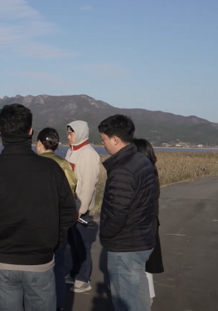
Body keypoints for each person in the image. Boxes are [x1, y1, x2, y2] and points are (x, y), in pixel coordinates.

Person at [0, 104, 78, 311]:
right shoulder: (51, 169)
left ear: (0, 133)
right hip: (40, 261)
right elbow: (69, 213)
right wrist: (53, 242)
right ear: (30, 132)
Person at [98, 115, 159, 311]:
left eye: (103, 139)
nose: (103, 144)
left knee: (125, 302)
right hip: (142, 240)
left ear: (115, 139)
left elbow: (117, 212)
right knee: (139, 299)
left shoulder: (122, 170)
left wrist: (106, 233)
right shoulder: (141, 160)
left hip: (125, 246)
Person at [35, 128, 78, 311]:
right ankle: (59, 306)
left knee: (40, 273)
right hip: (60, 223)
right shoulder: (65, 164)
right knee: (58, 270)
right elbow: (72, 189)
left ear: (38, 143)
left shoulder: (36, 163)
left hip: (39, 224)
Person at [64, 120, 100, 293]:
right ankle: (74, 273)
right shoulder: (71, 152)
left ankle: (84, 279)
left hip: (79, 207)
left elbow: (88, 185)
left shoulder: (88, 154)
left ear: (80, 134)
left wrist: (81, 209)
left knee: (82, 244)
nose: (69, 137)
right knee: (73, 242)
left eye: (71, 133)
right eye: (68, 133)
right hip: (70, 204)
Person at [133, 138, 164, 305]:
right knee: (145, 269)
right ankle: (148, 297)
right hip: (150, 228)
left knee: (140, 269)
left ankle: (146, 300)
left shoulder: (144, 177)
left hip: (143, 230)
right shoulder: (151, 173)